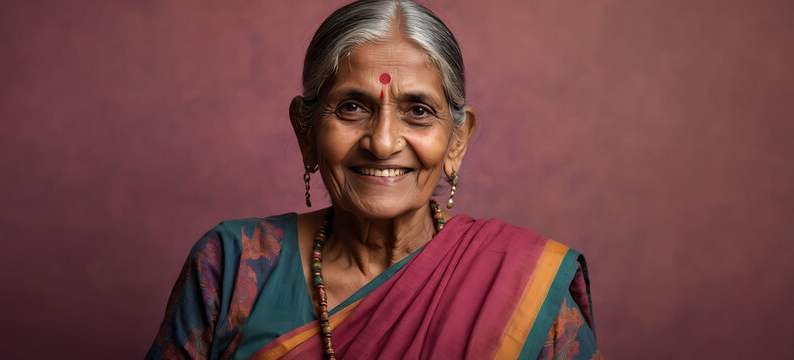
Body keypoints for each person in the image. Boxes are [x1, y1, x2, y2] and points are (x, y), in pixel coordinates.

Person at [146, 1, 601, 359]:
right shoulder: (231, 267)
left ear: (457, 141)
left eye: (418, 112)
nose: (382, 143)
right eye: (352, 107)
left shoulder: (524, 288)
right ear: (305, 132)